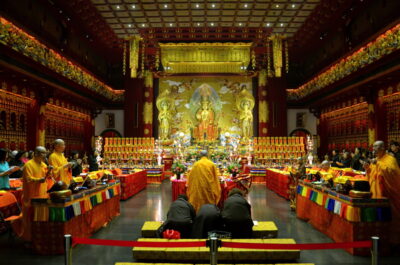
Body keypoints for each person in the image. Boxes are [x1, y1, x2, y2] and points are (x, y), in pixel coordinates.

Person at [364, 141, 400, 246]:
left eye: (376, 147)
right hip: (376, 194)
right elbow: (372, 176)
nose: (374, 150)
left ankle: (393, 242)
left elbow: (393, 172)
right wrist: (368, 169)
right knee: (379, 217)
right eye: (373, 148)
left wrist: (378, 164)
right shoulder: (376, 160)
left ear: (383, 148)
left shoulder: (390, 159)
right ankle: (378, 241)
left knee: (391, 218)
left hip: (388, 194)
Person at [21, 146, 53, 242]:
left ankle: (40, 237)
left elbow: (47, 177)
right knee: (30, 219)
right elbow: (28, 179)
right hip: (31, 195)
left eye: (45, 153)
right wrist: (39, 180)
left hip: (42, 194)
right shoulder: (28, 165)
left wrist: (49, 170)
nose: (44, 156)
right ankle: (29, 239)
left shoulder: (43, 164)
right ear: (36, 154)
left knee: (41, 218)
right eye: (42, 154)